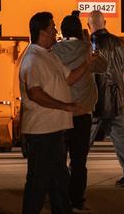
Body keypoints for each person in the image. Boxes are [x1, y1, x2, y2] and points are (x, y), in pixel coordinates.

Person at [20, 11, 83, 214]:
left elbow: (69, 78)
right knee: (38, 182)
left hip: (54, 130)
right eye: (53, 27)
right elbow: (35, 93)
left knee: (59, 180)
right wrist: (65, 106)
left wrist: (88, 63)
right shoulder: (32, 59)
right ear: (42, 32)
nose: (56, 31)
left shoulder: (49, 56)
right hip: (42, 131)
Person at [52, 12, 102, 210]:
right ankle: (77, 199)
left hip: (60, 112)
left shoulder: (54, 50)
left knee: (58, 160)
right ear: (79, 31)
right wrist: (89, 44)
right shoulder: (87, 49)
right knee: (79, 161)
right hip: (82, 113)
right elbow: (103, 66)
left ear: (62, 31)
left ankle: (60, 197)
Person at [87, 10, 124, 188]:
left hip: (98, 100)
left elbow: (91, 71)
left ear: (88, 26)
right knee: (121, 137)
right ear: (105, 23)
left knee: (84, 140)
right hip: (117, 98)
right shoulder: (119, 42)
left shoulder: (92, 43)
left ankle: (72, 172)